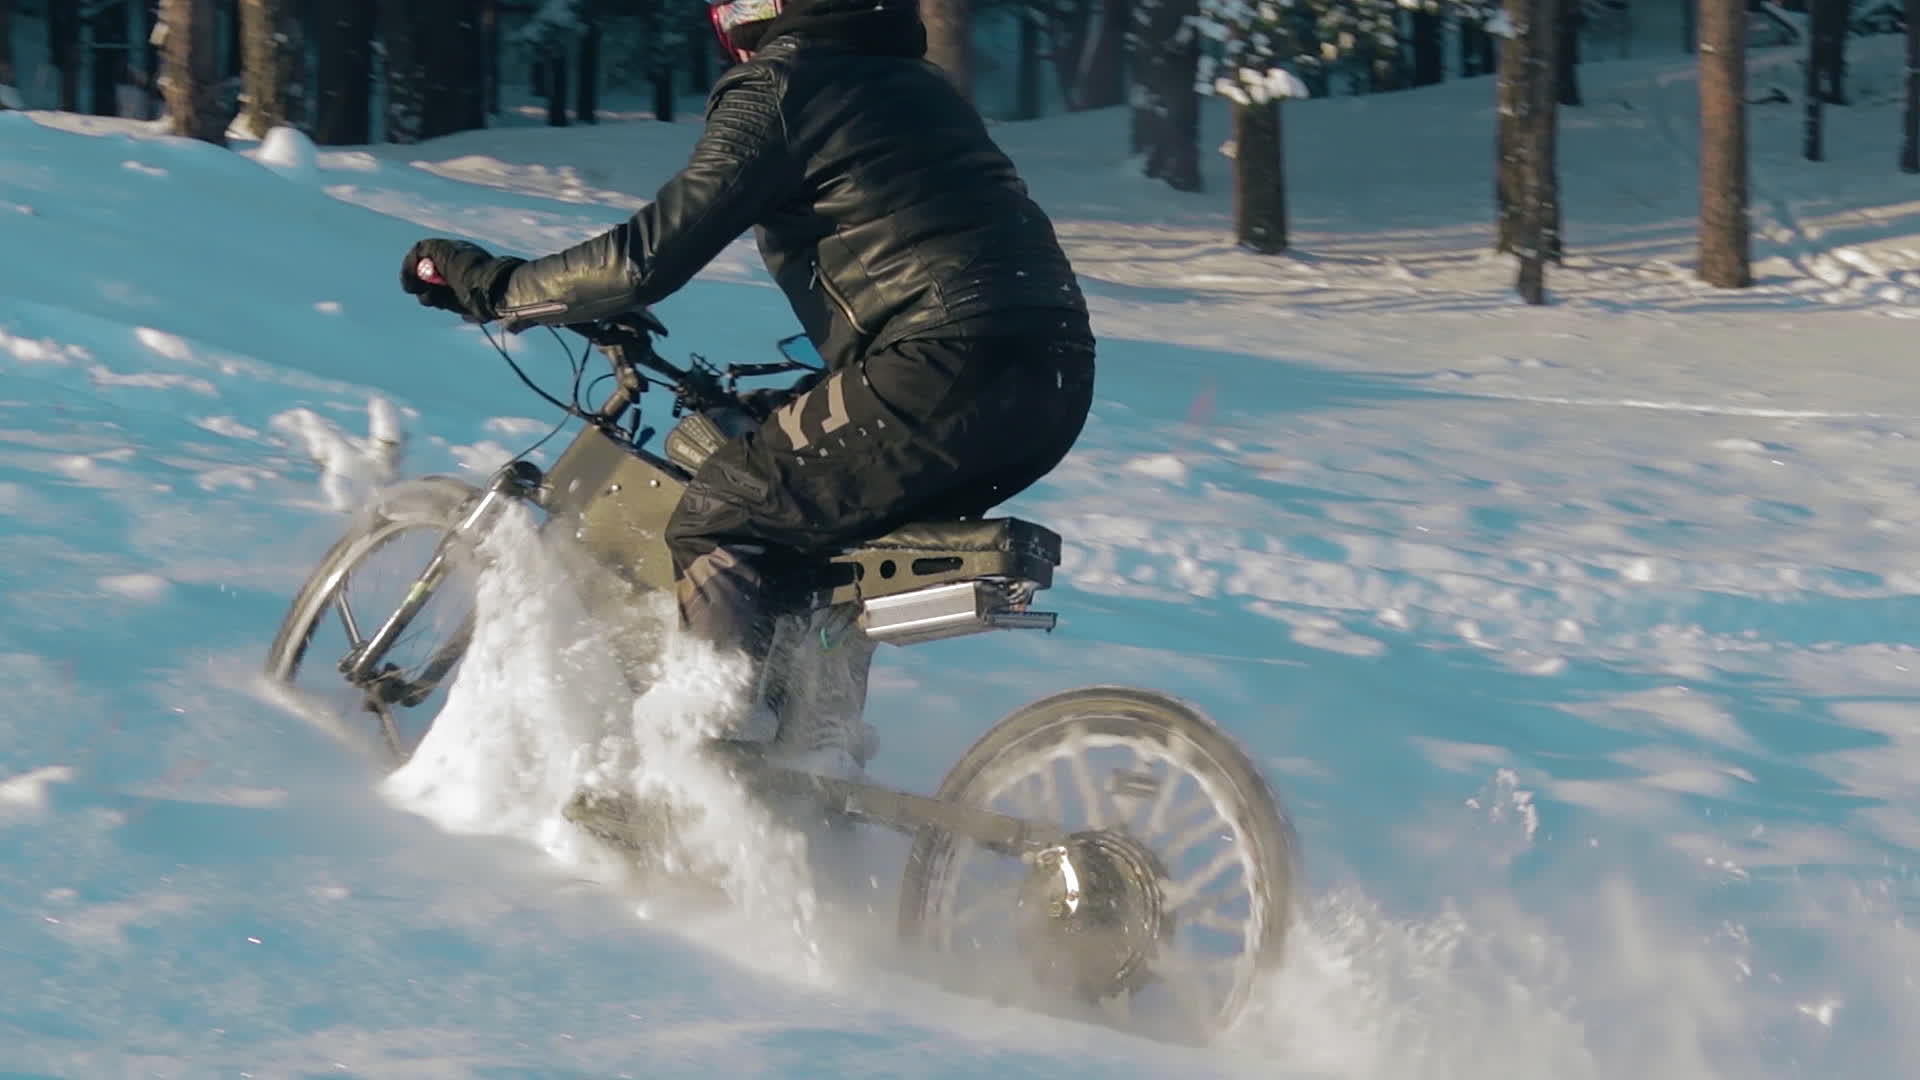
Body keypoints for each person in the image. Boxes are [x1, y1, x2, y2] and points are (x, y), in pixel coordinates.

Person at [398, 0, 1095, 735]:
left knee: (722, 508)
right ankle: (807, 754)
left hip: (940, 365)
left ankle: (708, 753)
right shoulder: (915, 85)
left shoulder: (785, 85)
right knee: (813, 530)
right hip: (1050, 378)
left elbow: (644, 259)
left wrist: (496, 286)